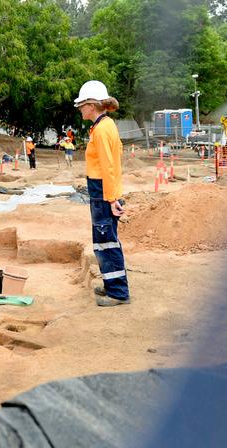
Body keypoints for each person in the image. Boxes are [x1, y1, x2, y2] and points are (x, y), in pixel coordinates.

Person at [74, 80, 130, 306]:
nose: (80, 109)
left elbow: (108, 165)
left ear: (91, 105)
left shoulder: (102, 130)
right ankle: (111, 286)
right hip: (102, 190)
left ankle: (118, 292)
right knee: (102, 240)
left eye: (82, 105)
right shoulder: (103, 126)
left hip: (103, 192)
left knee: (107, 240)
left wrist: (112, 198)